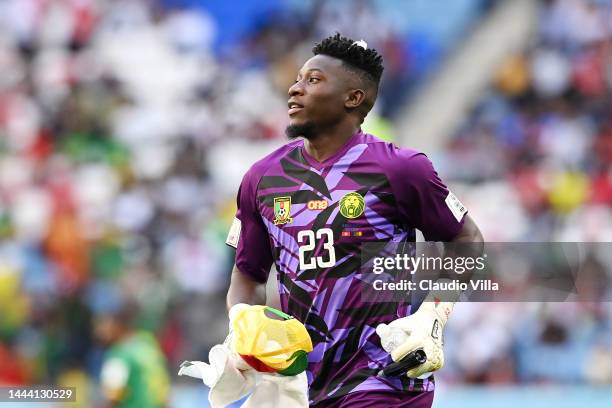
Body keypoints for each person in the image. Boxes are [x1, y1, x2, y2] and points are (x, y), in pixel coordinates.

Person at [225, 33, 483, 407]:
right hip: (300, 387)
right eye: (297, 79)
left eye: (312, 80)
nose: (295, 89)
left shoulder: (400, 169)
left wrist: (433, 315)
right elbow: (247, 273)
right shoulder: (262, 179)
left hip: (384, 378)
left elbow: (468, 239)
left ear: (353, 98)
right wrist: (242, 323)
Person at [95, 300, 170, 408]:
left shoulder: (119, 355)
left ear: (117, 325)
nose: (99, 331)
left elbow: (112, 396)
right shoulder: (148, 344)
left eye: (104, 325)